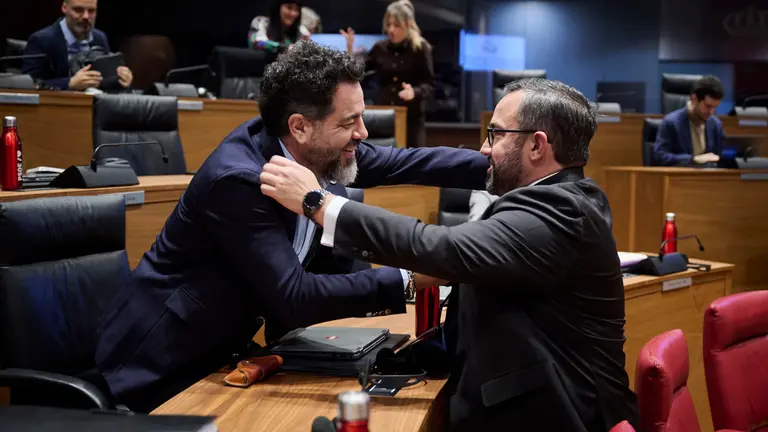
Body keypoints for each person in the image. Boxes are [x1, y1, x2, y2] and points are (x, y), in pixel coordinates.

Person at [94, 40, 488, 413]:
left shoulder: (319, 148)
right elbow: (294, 297)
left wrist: (502, 168)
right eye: (350, 121)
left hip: (225, 357)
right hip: (160, 365)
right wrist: (412, 276)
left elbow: (410, 162)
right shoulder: (239, 180)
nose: (363, 133)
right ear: (300, 126)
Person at [260, 78, 640, 431]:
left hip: (559, 417)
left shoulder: (560, 212)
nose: (484, 149)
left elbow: (442, 248)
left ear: (537, 145)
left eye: (496, 134)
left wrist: (319, 203)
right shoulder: (554, 201)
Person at [341, 0, 434, 147]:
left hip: (411, 119)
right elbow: (357, 70)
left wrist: (414, 92)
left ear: (408, 24)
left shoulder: (420, 48)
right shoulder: (380, 48)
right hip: (384, 115)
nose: (391, 30)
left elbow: (430, 84)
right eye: (388, 24)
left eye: (396, 25)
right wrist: (350, 49)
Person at [22, 0, 133, 91]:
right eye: (78, 10)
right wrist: (69, 83)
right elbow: (29, 85)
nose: (85, 16)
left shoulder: (99, 38)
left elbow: (104, 82)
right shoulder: (41, 40)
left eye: (91, 11)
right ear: (65, 8)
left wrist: (120, 80)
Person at [653, 75, 725, 166]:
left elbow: (719, 158)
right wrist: (693, 159)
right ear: (694, 99)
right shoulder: (671, 123)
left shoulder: (715, 125)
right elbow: (659, 157)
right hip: (679, 177)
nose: (711, 112)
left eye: (715, 107)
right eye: (708, 106)